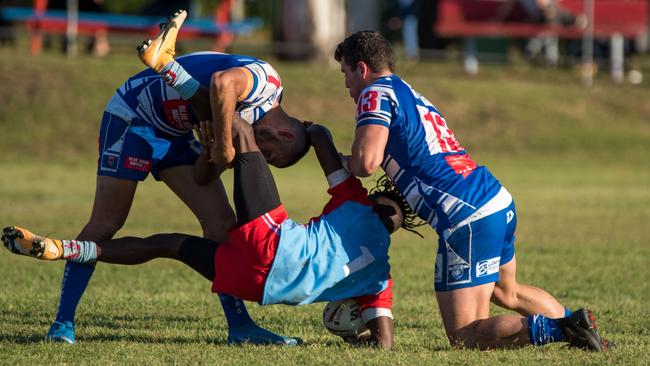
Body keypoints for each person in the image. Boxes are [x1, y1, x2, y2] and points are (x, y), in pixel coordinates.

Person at [2, 122, 419, 348]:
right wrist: (357, 337)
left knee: (239, 128)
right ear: (398, 230)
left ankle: (174, 81)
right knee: (167, 244)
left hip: (272, 244)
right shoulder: (381, 278)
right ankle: (66, 248)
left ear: (380, 201)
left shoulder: (357, 201)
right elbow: (384, 342)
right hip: (258, 287)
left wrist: (293, 133)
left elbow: (319, 136)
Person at [333, 31, 612, 351]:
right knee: (508, 292)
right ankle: (587, 334)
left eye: (346, 73)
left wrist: (333, 155)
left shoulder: (374, 93)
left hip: (465, 215)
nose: (346, 85)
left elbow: (366, 163)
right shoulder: (408, 92)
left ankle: (566, 329)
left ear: (362, 68)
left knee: (466, 335)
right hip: (493, 199)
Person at [44, 10, 309, 345]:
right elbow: (222, 82)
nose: (262, 157)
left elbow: (202, 176)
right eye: (270, 156)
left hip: (176, 135)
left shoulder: (247, 128)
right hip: (134, 117)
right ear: (285, 136)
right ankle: (62, 322)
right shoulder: (266, 81)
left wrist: (214, 152)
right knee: (107, 222)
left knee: (221, 225)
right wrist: (225, 146)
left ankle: (240, 327)